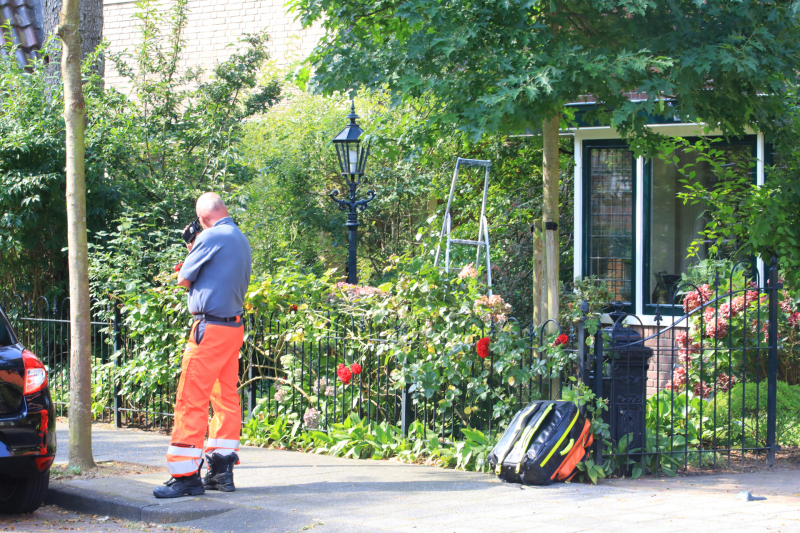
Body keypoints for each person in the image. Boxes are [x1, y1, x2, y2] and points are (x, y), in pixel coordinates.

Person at [154, 193, 252, 499]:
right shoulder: (240, 238)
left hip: (208, 329)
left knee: (191, 398)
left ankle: (185, 476)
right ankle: (221, 472)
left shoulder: (209, 236)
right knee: (226, 397)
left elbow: (184, 278)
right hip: (233, 327)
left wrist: (191, 245)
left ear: (200, 218)